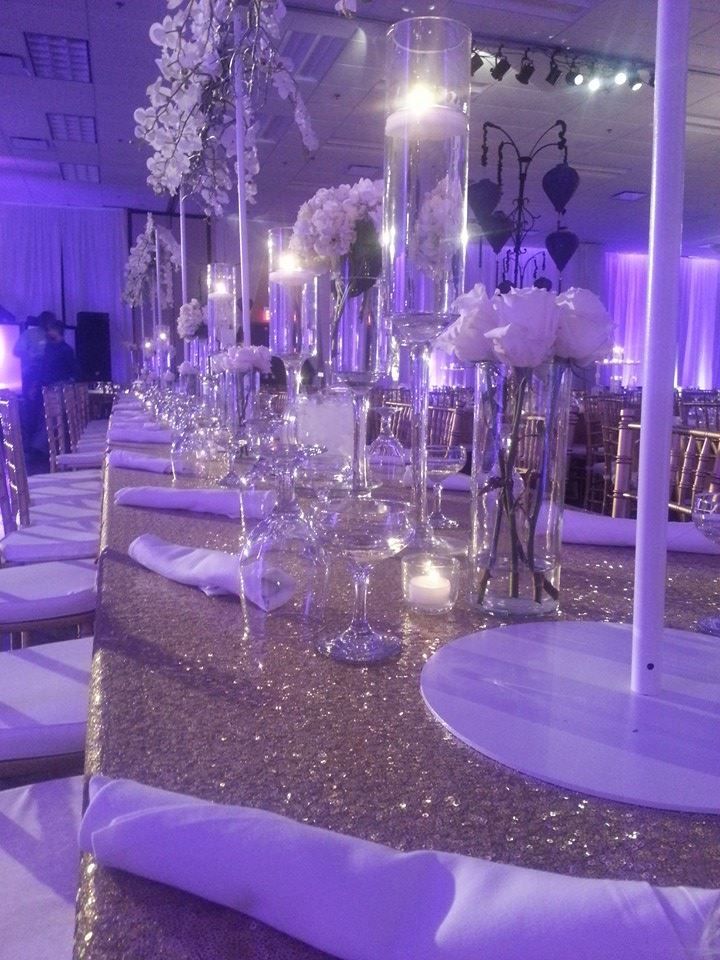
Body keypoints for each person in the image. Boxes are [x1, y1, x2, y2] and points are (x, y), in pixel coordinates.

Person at [39, 316, 80, 386]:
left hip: (59, 387)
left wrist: (67, 381)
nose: (48, 332)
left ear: (56, 330)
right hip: (47, 385)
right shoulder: (48, 347)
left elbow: (75, 370)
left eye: (50, 330)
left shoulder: (66, 349)